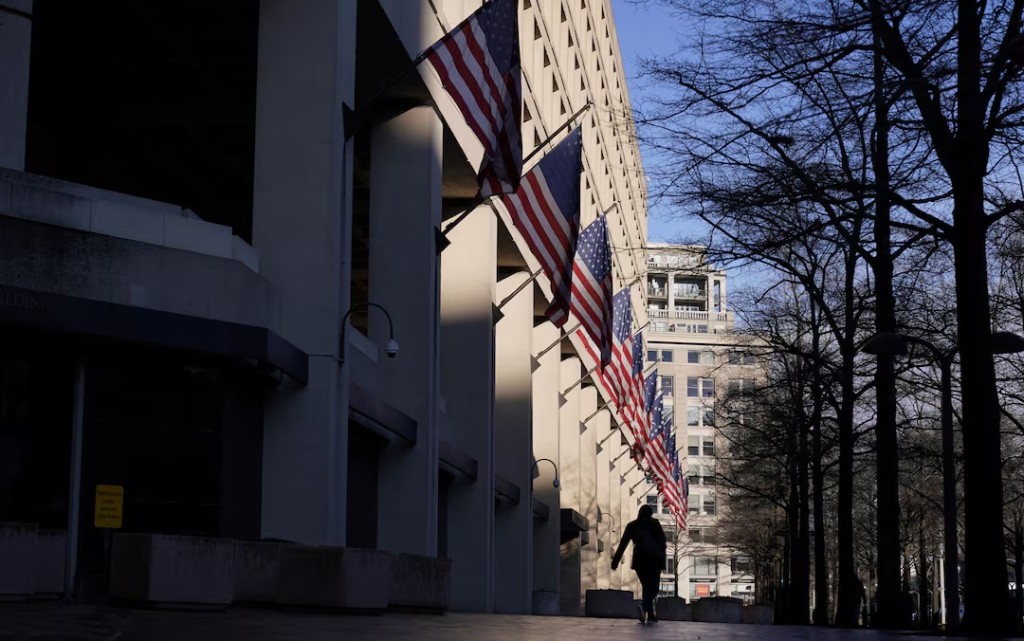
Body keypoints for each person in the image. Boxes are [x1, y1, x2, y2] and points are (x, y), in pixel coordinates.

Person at [611, 505, 667, 623]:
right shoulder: (654, 523)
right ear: (650, 513)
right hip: (653, 560)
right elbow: (662, 542)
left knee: (646, 587)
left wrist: (615, 561)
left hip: (640, 560)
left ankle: (650, 614)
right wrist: (663, 561)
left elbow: (623, 543)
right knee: (653, 588)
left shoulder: (632, 525)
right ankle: (644, 605)